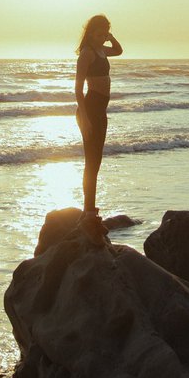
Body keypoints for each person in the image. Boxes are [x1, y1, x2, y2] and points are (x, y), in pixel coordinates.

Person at [75, 14, 123, 242]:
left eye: (105, 32)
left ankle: (90, 210)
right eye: (99, 32)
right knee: (91, 161)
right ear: (91, 31)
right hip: (90, 109)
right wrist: (83, 117)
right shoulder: (87, 53)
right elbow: (77, 87)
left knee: (97, 160)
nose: (102, 36)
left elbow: (120, 50)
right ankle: (89, 212)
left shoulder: (103, 50)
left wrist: (110, 37)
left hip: (100, 110)